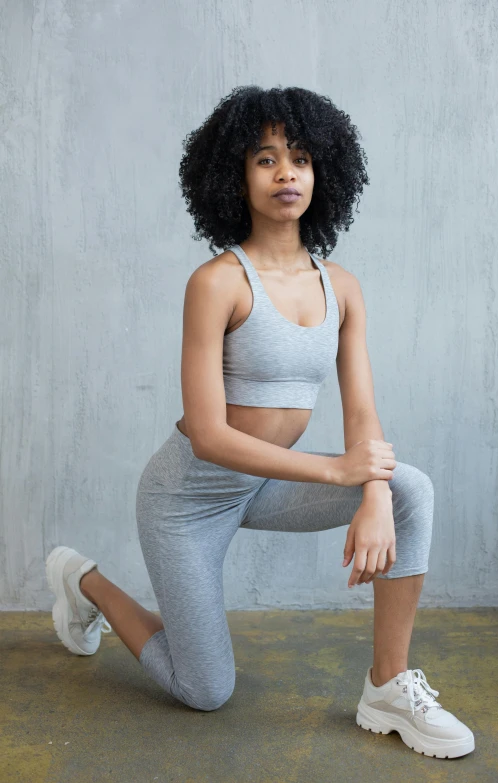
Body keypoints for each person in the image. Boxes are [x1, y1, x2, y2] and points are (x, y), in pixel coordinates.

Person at [45, 85, 474, 759]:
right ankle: (83, 579)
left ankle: (388, 686)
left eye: (299, 158)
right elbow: (210, 434)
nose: (285, 173)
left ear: (320, 171)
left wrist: (372, 491)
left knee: (408, 487)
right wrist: (340, 470)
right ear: (234, 177)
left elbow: (362, 411)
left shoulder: (343, 287)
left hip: (263, 487)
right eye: (265, 159)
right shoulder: (218, 282)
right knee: (204, 689)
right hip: (185, 501)